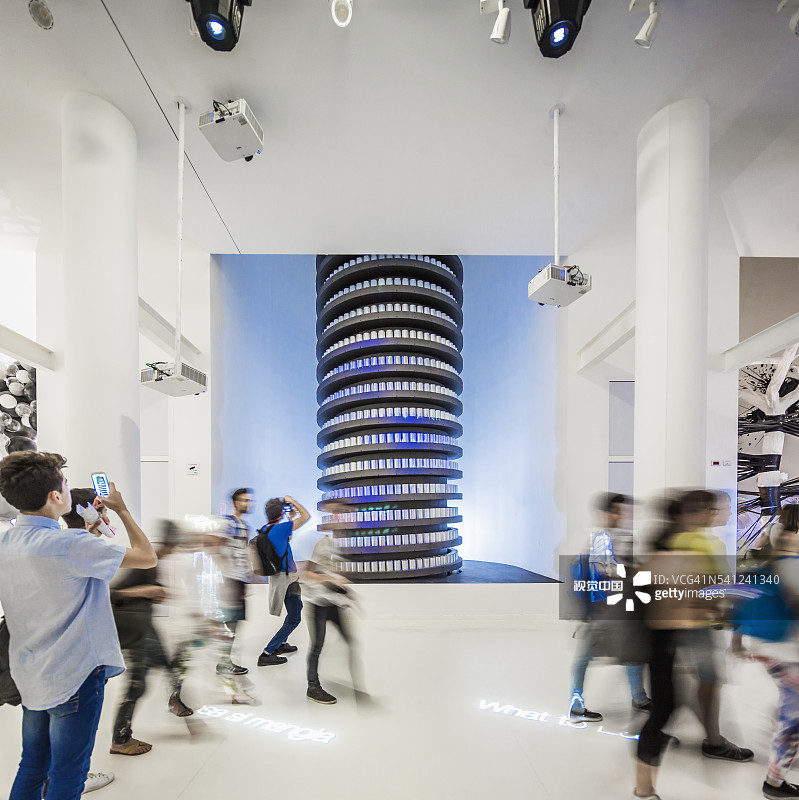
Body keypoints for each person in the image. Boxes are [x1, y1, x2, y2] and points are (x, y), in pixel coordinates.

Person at [0, 451, 157, 800]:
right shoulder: (71, 545)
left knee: (32, 766)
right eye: (66, 484)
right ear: (55, 496)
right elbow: (148, 557)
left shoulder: (8, 542)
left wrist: (88, 534)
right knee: (68, 775)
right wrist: (122, 510)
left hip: (30, 672)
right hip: (74, 674)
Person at [635, 491, 752, 800]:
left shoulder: (670, 543)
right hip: (671, 634)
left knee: (669, 704)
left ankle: (646, 785)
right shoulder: (692, 544)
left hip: (664, 636)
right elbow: (699, 591)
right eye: (717, 509)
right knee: (670, 705)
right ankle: (647, 785)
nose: (721, 514)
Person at [61, 495, 194, 757]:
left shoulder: (152, 562)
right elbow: (114, 594)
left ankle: (174, 701)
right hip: (133, 630)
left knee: (170, 664)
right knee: (137, 684)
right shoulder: (144, 561)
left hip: (143, 626)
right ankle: (120, 738)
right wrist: (147, 591)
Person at [733, 504, 799, 800]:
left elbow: (742, 596)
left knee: (791, 706)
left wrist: (737, 641)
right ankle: (774, 782)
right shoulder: (791, 562)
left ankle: (782, 743)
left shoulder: (770, 556)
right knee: (793, 717)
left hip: (767, 645)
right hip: (786, 649)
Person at [569, 493, 651, 721]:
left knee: (633, 655)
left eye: (622, 511)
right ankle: (577, 706)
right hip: (601, 611)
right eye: (616, 511)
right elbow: (599, 574)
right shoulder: (597, 540)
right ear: (603, 513)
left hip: (621, 610)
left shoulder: (624, 539)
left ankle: (639, 698)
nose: (620, 516)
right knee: (585, 657)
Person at [301, 533, 364, 704]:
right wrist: (330, 579)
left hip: (333, 602)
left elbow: (332, 575)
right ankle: (312, 687)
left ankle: (358, 689)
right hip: (317, 603)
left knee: (350, 642)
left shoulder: (338, 547)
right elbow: (308, 574)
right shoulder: (323, 544)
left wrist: (347, 594)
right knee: (317, 646)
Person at [256, 495, 310, 667]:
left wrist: (290, 518)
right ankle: (268, 652)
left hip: (278, 578)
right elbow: (306, 516)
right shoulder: (281, 528)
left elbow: (286, 540)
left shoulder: (266, 529)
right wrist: (293, 501)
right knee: (295, 617)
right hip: (288, 579)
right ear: (280, 514)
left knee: (293, 611)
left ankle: (281, 643)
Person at [215, 488, 254, 677]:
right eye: (244, 500)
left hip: (239, 580)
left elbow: (244, 552)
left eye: (249, 500)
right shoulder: (228, 523)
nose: (248, 503)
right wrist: (226, 579)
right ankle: (223, 662)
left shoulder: (244, 526)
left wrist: (249, 572)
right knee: (229, 623)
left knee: (234, 623)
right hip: (230, 580)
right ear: (235, 503)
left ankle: (224, 660)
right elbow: (217, 548)